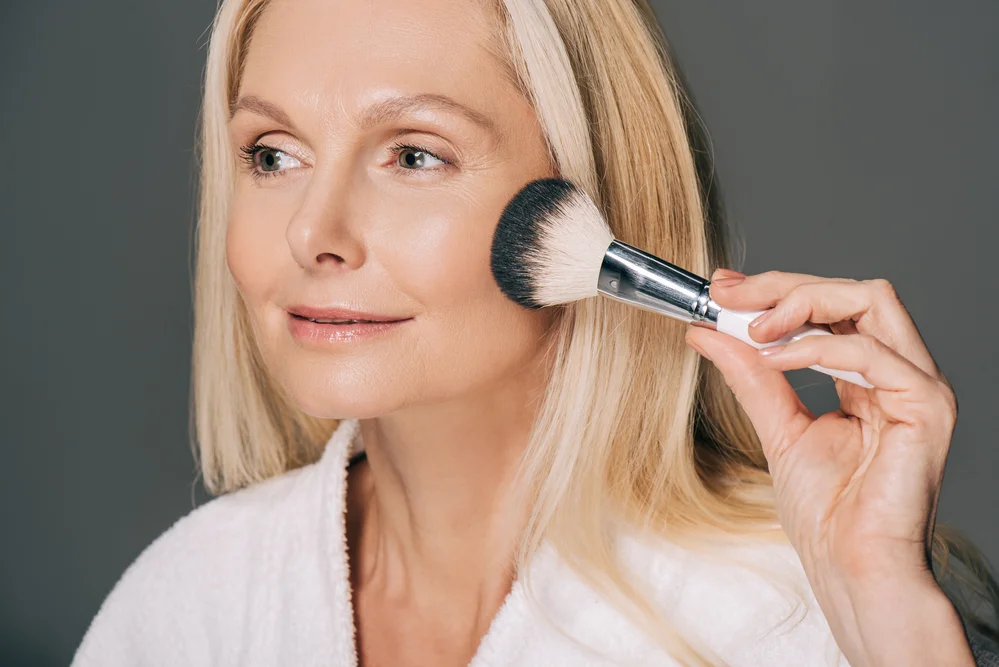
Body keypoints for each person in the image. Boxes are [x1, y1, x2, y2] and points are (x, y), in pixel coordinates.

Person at [71, 0, 999, 665]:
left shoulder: (773, 616)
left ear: (588, 196)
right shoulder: (189, 602)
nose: (313, 232)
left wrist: (888, 620)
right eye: (272, 155)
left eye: (413, 155)